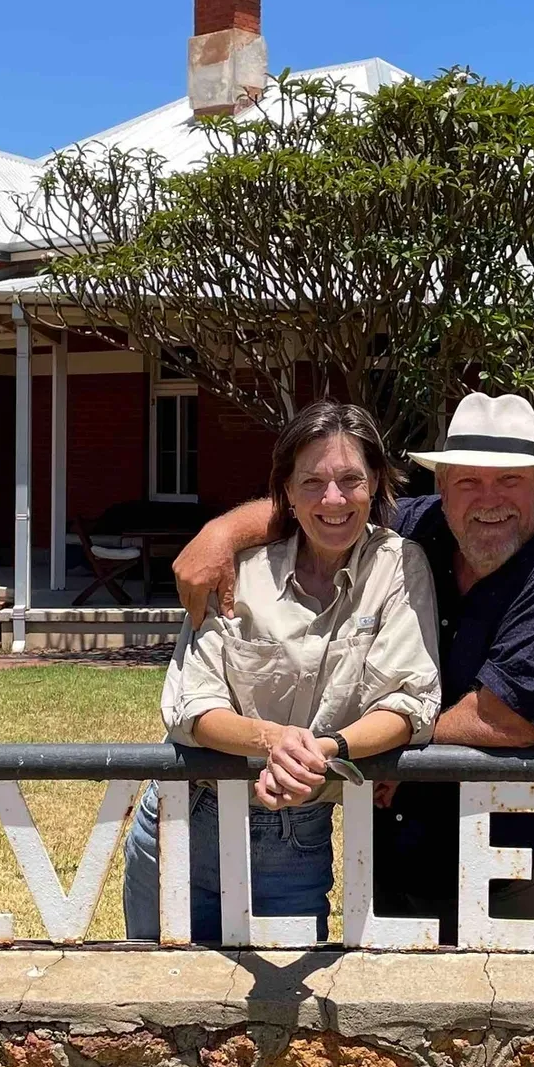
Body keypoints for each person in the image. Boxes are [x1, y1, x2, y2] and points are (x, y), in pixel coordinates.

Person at [175, 392, 534, 943]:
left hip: (515, 849)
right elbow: (324, 511)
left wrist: (382, 739)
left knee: (521, 1012)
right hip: (397, 838)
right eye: (469, 481)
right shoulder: (426, 526)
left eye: (510, 481)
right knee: (393, 1007)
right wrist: (221, 534)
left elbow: (507, 719)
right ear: (441, 486)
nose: (488, 500)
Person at [122, 400, 440, 943]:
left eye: (349, 479)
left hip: (294, 838)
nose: (333, 499)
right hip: (181, 820)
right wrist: (273, 740)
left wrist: (325, 750)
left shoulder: (399, 566)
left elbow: (411, 704)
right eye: (312, 482)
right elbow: (190, 707)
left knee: (280, 1025)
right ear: (286, 493)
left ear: (376, 484)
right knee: (158, 1008)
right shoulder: (238, 569)